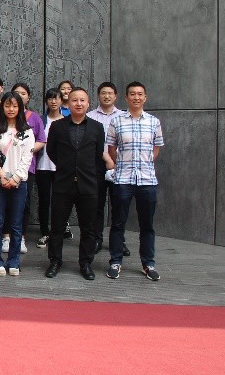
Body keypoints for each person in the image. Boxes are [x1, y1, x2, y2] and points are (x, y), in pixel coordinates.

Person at [44, 88, 109, 281]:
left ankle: (86, 263)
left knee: (88, 228)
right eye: (74, 100)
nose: (78, 104)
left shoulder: (97, 127)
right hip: (63, 183)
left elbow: (98, 155)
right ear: (68, 103)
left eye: (82, 100)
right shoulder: (58, 126)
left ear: (88, 103)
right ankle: (55, 261)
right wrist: (67, 167)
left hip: (88, 184)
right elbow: (51, 151)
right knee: (57, 227)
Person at [106, 82, 164, 281]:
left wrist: (145, 162)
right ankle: (115, 261)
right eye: (132, 94)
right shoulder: (117, 121)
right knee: (118, 223)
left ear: (145, 97)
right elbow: (111, 148)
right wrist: (123, 164)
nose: (136, 97)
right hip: (123, 179)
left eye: (140, 94)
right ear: (126, 97)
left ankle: (148, 263)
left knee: (147, 225)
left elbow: (156, 148)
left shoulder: (154, 122)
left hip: (147, 180)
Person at [0, 92, 34, 277]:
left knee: (16, 224)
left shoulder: (27, 132)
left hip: (19, 183)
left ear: (20, 108)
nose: (11, 109)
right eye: (7, 105)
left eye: (15, 106)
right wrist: (2, 174)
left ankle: (14, 261)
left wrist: (16, 178)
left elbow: (27, 158)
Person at [86, 81, 128, 256]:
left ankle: (118, 241)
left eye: (110, 93)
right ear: (98, 96)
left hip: (120, 165)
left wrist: (115, 160)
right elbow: (91, 143)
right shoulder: (90, 116)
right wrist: (107, 158)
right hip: (97, 165)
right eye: (103, 93)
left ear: (115, 96)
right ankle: (96, 238)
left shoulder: (124, 116)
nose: (107, 96)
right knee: (97, 204)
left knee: (119, 205)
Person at [8, 82, 47, 254]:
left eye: (23, 93)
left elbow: (42, 140)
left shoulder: (34, 118)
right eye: (16, 93)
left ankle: (21, 237)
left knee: (23, 203)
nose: (19, 96)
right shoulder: (3, 117)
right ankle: (6, 236)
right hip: (5, 167)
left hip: (26, 167)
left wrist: (27, 151)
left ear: (28, 97)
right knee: (4, 203)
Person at [35, 89, 64, 249]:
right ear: (46, 101)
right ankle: (44, 232)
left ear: (61, 100)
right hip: (42, 166)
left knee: (60, 201)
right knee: (44, 200)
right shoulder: (40, 120)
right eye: (50, 98)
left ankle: (57, 231)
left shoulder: (66, 120)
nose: (53, 101)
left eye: (56, 98)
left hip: (61, 167)